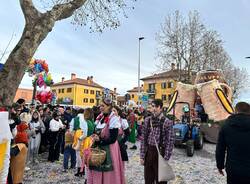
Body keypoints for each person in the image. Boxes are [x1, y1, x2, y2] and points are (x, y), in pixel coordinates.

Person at [87, 98, 125, 184]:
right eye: (100, 105)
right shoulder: (100, 117)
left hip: (109, 149)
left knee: (107, 171)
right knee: (96, 168)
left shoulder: (113, 118)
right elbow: (96, 131)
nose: (100, 107)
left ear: (109, 107)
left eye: (103, 106)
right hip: (98, 148)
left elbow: (113, 139)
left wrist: (99, 140)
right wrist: (95, 136)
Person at [140, 99, 174, 184]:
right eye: (152, 106)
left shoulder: (167, 122)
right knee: (148, 179)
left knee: (161, 180)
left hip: (160, 153)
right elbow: (143, 139)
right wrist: (142, 156)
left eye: (155, 106)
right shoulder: (147, 120)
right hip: (149, 152)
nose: (153, 109)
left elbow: (170, 142)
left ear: (160, 107)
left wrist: (166, 158)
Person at [216, 102, 250, 184]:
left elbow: (220, 149)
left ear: (235, 111)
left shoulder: (226, 126)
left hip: (233, 169)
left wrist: (220, 165)